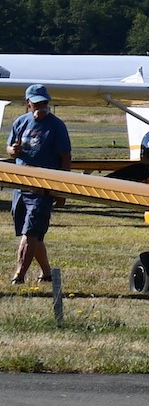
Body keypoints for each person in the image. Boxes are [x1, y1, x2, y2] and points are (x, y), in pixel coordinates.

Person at [8, 84, 72, 288]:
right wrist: (13, 150)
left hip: (43, 188)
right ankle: (46, 274)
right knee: (30, 233)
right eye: (36, 103)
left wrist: (62, 189)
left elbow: (65, 157)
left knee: (31, 233)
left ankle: (19, 274)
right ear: (28, 104)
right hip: (20, 185)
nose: (41, 107)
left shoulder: (57, 126)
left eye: (44, 103)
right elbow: (9, 148)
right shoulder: (20, 122)